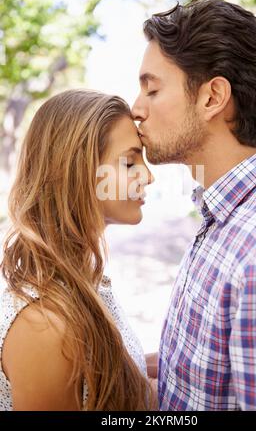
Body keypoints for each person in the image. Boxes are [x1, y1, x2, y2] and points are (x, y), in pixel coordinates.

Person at [132, 0, 256, 410]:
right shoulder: (227, 216)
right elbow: (198, 377)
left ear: (212, 98)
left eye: (152, 89)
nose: (136, 109)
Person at [0, 89, 155, 411]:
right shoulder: (44, 324)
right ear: (78, 170)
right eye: (129, 161)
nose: (148, 176)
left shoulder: (79, 276)